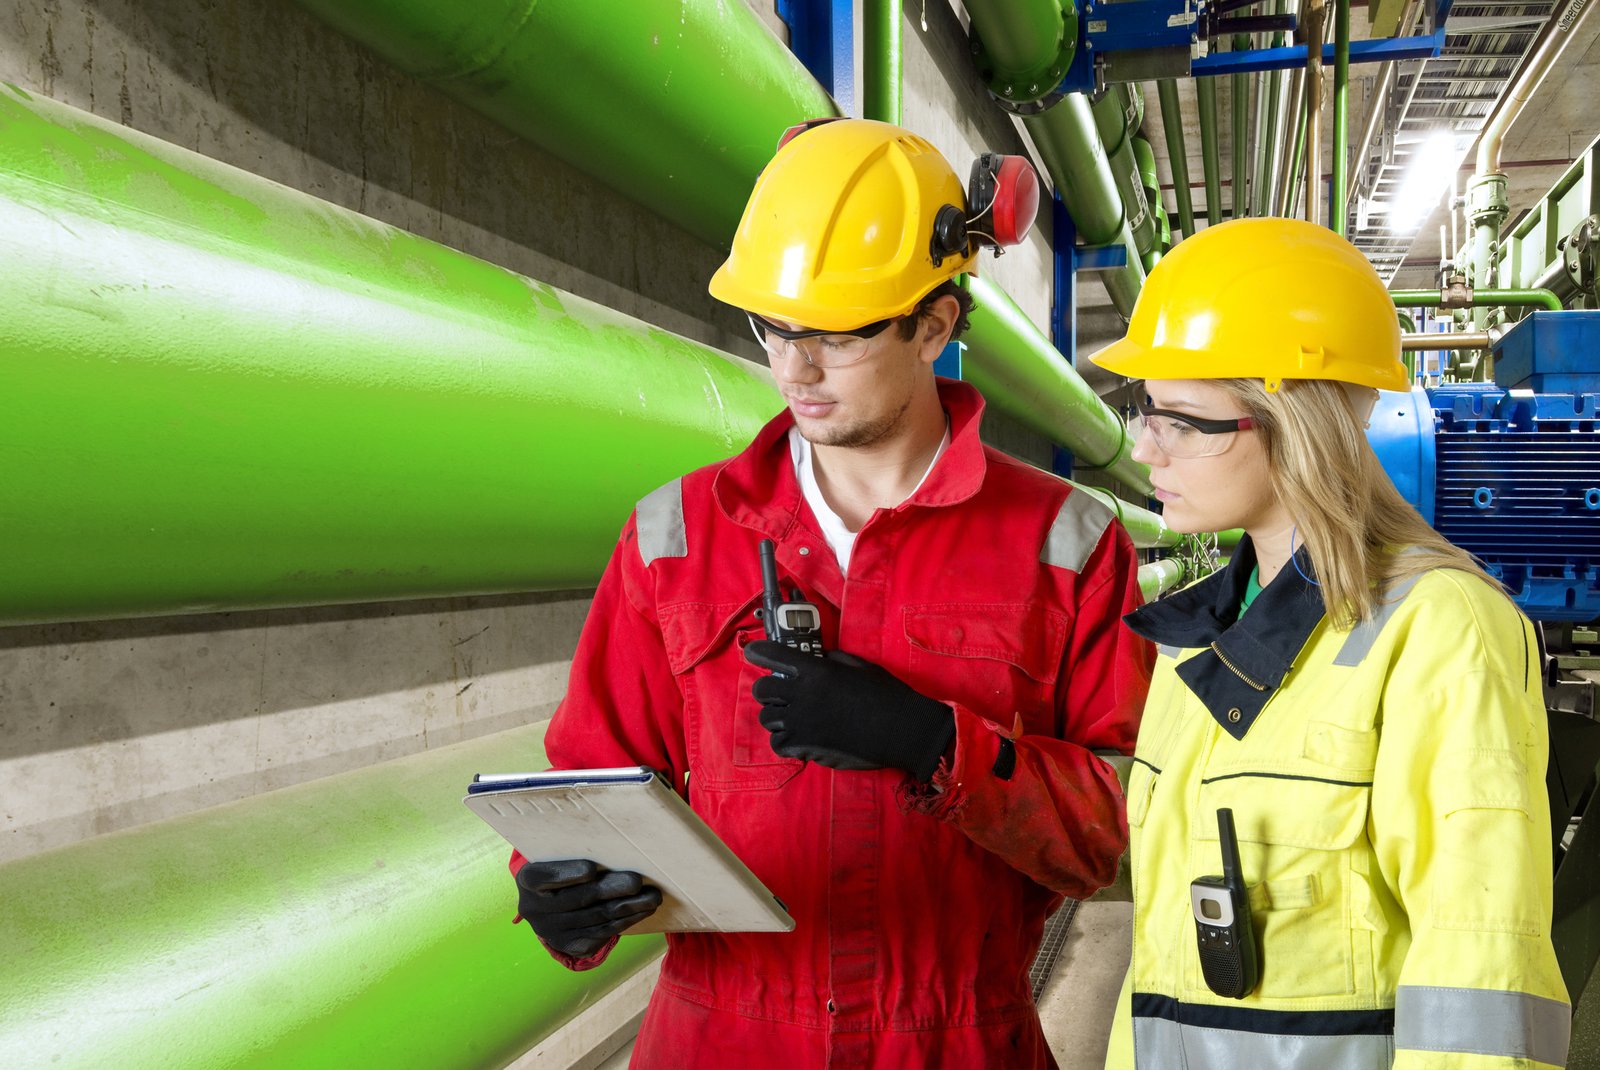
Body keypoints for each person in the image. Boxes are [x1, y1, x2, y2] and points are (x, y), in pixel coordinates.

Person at [509, 117, 1154, 1068]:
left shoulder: (1063, 543)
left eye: (836, 339)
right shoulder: (678, 537)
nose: (793, 370)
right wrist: (561, 895)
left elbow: (1113, 829)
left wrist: (934, 744)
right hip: (720, 1037)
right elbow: (587, 784)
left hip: (954, 1039)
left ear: (934, 324)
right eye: (773, 329)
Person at [1092, 217, 1571, 1069]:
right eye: (1142, 411)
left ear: (1294, 427)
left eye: (1179, 421)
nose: (1142, 445)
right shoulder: (1196, 643)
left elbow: (1479, 977)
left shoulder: (1440, 633)